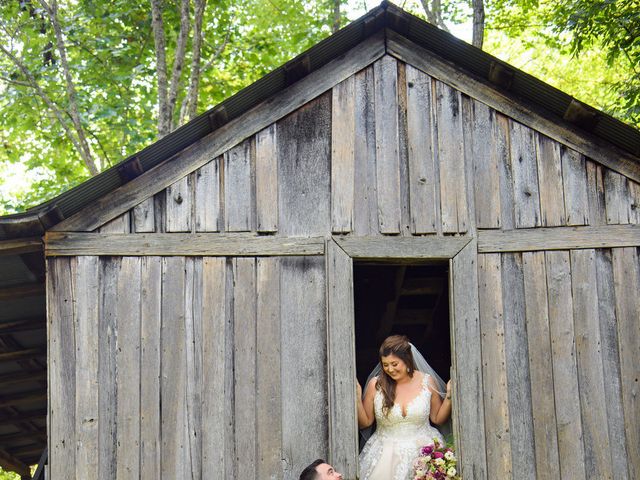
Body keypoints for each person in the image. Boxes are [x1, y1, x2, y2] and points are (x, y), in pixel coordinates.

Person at [356, 335, 452, 480]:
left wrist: (450, 396)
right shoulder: (376, 385)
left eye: (394, 364)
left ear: (407, 360)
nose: (390, 369)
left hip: (424, 452)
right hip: (384, 455)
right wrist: (356, 398)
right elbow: (366, 422)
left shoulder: (427, 381)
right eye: (385, 364)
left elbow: (437, 418)